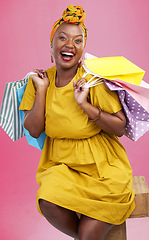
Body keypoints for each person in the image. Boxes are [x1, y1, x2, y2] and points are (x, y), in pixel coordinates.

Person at [19, 5, 135, 240]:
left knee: (88, 236)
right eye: (62, 38)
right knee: (48, 200)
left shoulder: (92, 80)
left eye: (78, 41)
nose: (70, 45)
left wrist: (85, 104)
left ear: (82, 49)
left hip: (102, 167)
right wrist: (41, 90)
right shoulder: (40, 80)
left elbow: (121, 127)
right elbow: (33, 129)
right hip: (60, 165)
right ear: (51, 45)